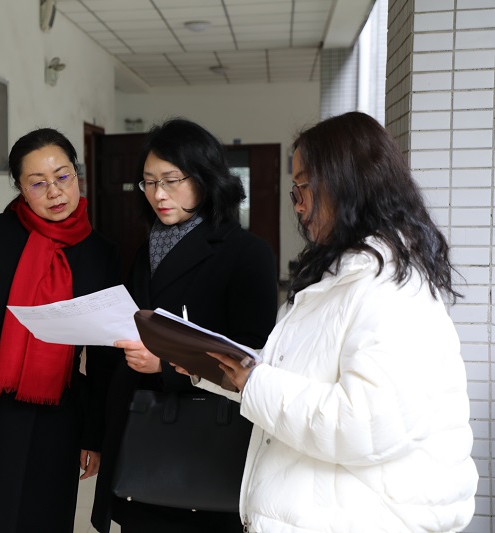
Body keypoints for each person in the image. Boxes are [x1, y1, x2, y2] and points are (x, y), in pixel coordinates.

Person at [185, 111, 478, 532]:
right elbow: (301, 373)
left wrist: (255, 383)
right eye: (294, 190)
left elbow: (365, 423)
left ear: (349, 184)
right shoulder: (342, 276)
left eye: (304, 186)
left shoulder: (392, 288)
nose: (298, 204)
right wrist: (220, 368)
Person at [0, 128, 121, 532]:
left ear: (77, 175)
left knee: (42, 517)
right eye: (38, 183)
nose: (55, 192)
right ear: (20, 188)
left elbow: (103, 357)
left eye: (63, 176)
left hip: (58, 414)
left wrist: (93, 435)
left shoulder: (101, 254)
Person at [91, 118, 279, 533]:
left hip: (203, 435)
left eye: (172, 181)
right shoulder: (147, 249)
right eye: (148, 182)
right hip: (139, 427)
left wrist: (164, 366)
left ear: (205, 177)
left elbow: (253, 354)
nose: (158, 194)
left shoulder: (247, 253)